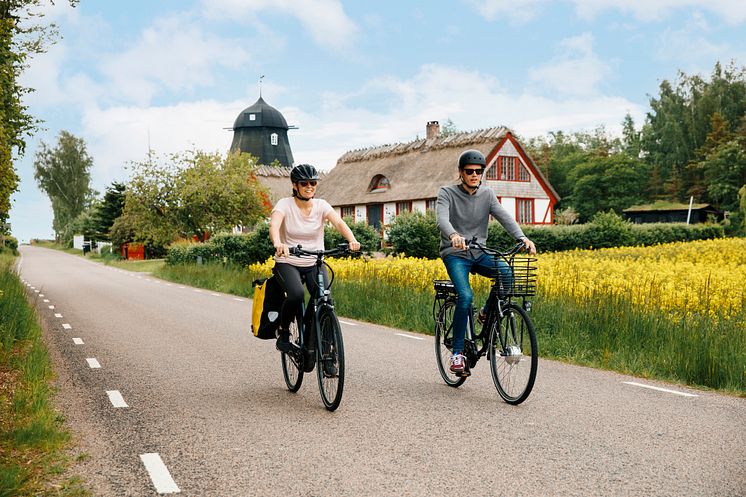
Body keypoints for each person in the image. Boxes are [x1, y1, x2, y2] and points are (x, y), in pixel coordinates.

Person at [436, 149, 536, 376]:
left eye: (478, 172)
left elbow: (504, 217)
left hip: (479, 252)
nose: (474, 175)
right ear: (461, 172)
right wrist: (453, 235)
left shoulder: (487, 195)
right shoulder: (446, 193)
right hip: (455, 254)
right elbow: (441, 218)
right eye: (469, 171)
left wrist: (522, 238)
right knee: (465, 296)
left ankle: (486, 311)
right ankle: (458, 354)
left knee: (507, 274)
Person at [269, 164, 361, 352]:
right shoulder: (284, 204)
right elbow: (274, 225)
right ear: (295, 185)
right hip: (288, 261)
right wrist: (278, 243)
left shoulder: (321, 205)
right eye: (305, 183)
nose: (309, 186)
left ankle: (326, 349)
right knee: (296, 295)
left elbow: (338, 222)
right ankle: (284, 331)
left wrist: (352, 240)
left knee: (325, 300)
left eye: (313, 182)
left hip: (314, 262)